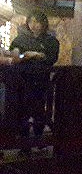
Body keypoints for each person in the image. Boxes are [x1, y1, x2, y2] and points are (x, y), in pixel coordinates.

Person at [9, 11, 59, 150]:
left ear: (44, 24)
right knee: (22, 110)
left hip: (41, 80)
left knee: (39, 110)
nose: (34, 25)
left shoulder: (50, 41)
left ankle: (38, 138)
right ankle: (24, 143)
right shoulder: (21, 39)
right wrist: (27, 55)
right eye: (31, 22)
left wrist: (37, 55)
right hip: (23, 79)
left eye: (37, 22)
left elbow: (51, 58)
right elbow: (15, 55)